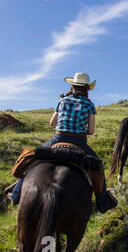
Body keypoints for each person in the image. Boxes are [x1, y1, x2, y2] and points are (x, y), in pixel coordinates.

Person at [4, 73, 118, 213]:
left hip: (57, 139)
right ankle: (103, 202)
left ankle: (15, 195)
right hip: (79, 142)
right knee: (98, 168)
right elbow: (91, 131)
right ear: (87, 88)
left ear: (73, 86)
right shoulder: (89, 105)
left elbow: (52, 122)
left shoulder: (63, 101)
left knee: (32, 159)